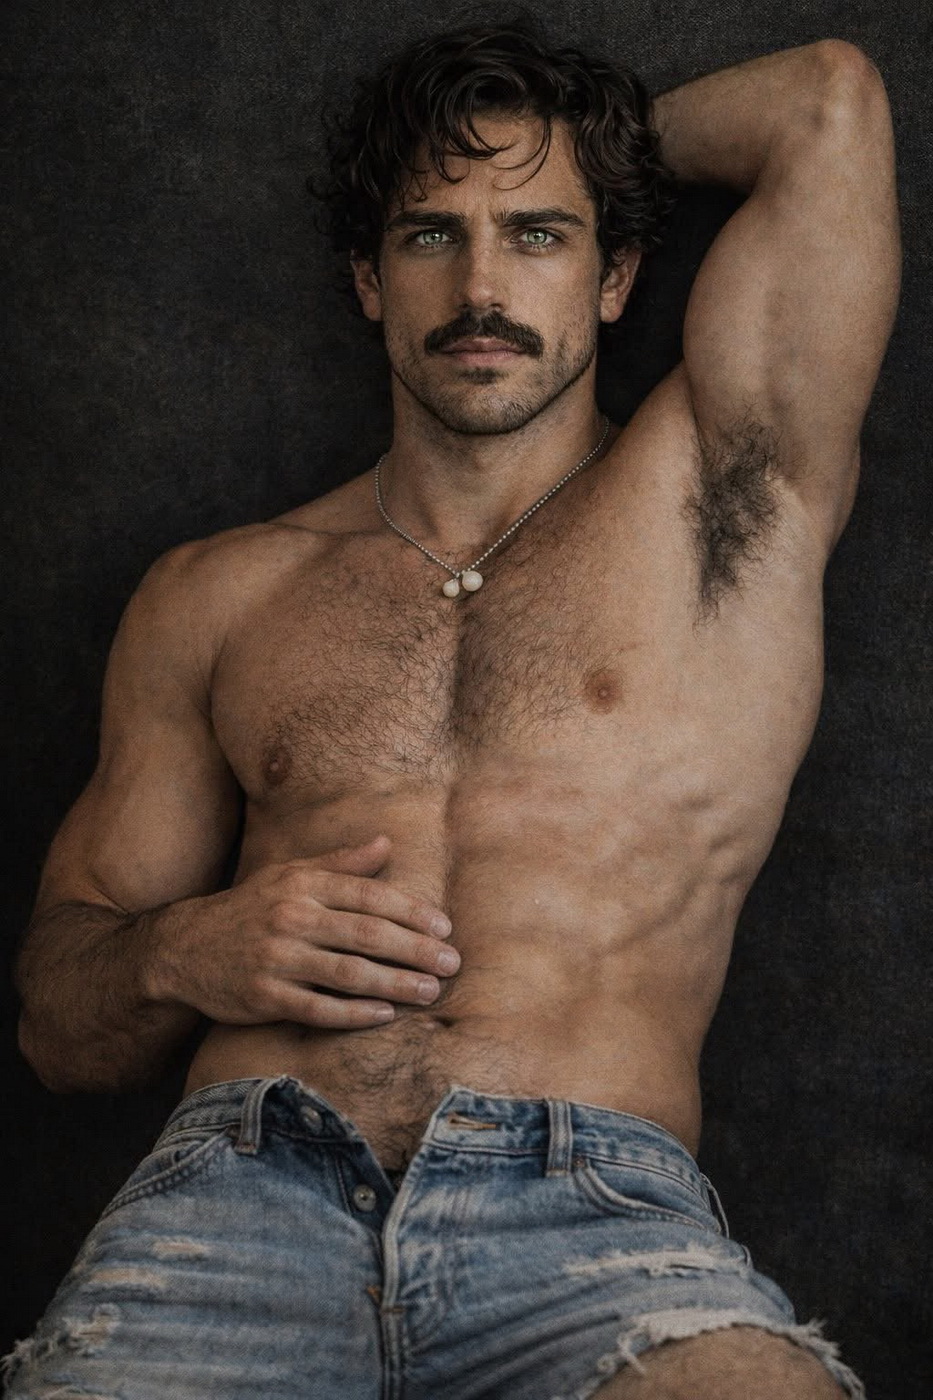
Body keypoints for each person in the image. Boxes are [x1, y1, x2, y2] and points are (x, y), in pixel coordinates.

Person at [5, 18, 899, 1400]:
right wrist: (181, 950)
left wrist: (577, 152)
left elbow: (824, 103)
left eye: (539, 234)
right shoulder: (216, 595)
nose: (482, 285)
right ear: (370, 280)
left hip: (588, 1210)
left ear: (615, 275)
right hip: (233, 1201)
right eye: (431, 234)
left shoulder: (728, 499)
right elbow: (57, 1030)